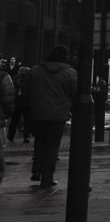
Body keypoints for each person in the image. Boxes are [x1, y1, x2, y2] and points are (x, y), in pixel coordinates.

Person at [29, 45, 78, 189]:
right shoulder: (70, 73)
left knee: (39, 142)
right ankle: (47, 177)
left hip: (38, 113)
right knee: (52, 145)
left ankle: (37, 170)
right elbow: (75, 93)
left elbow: (26, 91)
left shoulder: (35, 71)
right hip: (58, 114)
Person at [6, 64, 28, 146]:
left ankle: (10, 136)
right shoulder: (28, 80)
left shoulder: (15, 79)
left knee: (14, 121)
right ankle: (26, 137)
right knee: (27, 121)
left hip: (17, 102)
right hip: (26, 103)